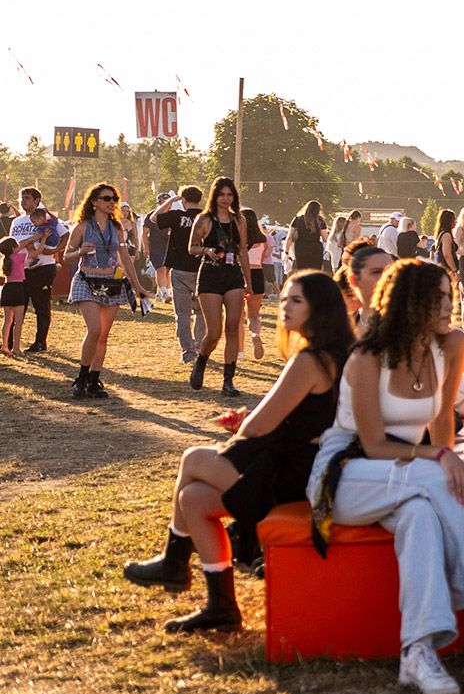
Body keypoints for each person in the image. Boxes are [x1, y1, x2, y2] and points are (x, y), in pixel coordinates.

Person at [307, 258, 464, 694]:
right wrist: (440, 457)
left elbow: (441, 422)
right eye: (438, 298)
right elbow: (374, 445)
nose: (449, 305)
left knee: (421, 518)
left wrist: (445, 453)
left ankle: (417, 651)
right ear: (411, 302)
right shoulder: (366, 357)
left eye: (450, 295)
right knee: (435, 479)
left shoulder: (449, 344)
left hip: (407, 477)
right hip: (347, 475)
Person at [122, 269, 355, 631]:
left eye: (296, 301)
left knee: (194, 458)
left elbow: (257, 427)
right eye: (286, 298)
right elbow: (309, 417)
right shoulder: (342, 354)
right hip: (312, 468)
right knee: (196, 499)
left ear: (319, 309)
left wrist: (242, 424)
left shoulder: (310, 360)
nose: (284, 307)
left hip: (297, 475)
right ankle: (221, 606)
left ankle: (174, 562)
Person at [58, 183, 149, 399]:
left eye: (114, 199)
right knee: (95, 329)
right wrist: (80, 251)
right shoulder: (81, 227)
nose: (111, 203)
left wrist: (136, 285)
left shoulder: (117, 228)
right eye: (107, 198)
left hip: (111, 282)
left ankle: (93, 380)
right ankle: (81, 378)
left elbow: (125, 257)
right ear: (94, 201)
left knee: (103, 335)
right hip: (87, 280)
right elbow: (66, 257)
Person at [186, 178, 255, 397]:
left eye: (230, 195)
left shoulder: (239, 220)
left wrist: (249, 284)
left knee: (233, 327)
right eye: (222, 195)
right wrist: (206, 251)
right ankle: (201, 360)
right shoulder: (204, 220)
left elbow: (242, 251)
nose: (226, 199)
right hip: (210, 275)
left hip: (233, 275)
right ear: (215, 196)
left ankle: (228, 380)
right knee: (214, 332)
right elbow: (192, 247)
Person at [151, 185, 205, 364]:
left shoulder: (177, 216)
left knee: (183, 314)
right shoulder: (205, 217)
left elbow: (153, 218)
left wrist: (170, 201)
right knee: (201, 312)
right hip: (202, 269)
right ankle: (200, 349)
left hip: (180, 270)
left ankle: (188, 353)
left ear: (183, 200)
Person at [10, 187, 65, 355]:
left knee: (41, 307)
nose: (23, 201)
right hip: (20, 268)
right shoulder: (17, 221)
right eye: (21, 198)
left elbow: (65, 234)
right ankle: (10, 342)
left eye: (27, 198)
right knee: (17, 306)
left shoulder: (46, 217)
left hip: (42, 267)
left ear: (37, 201)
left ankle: (40, 342)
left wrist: (54, 250)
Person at [244, 206, 273, 359]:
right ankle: (255, 333)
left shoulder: (240, 239)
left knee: (236, 313)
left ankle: (239, 349)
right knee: (254, 314)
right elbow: (261, 260)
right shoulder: (263, 240)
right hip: (257, 274)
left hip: (242, 273)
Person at [291, 200, 328, 273]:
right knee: (315, 271)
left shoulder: (298, 219)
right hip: (315, 248)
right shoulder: (320, 220)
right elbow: (325, 238)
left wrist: (287, 251)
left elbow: (290, 236)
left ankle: (304, 283)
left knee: (302, 271)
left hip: (301, 248)